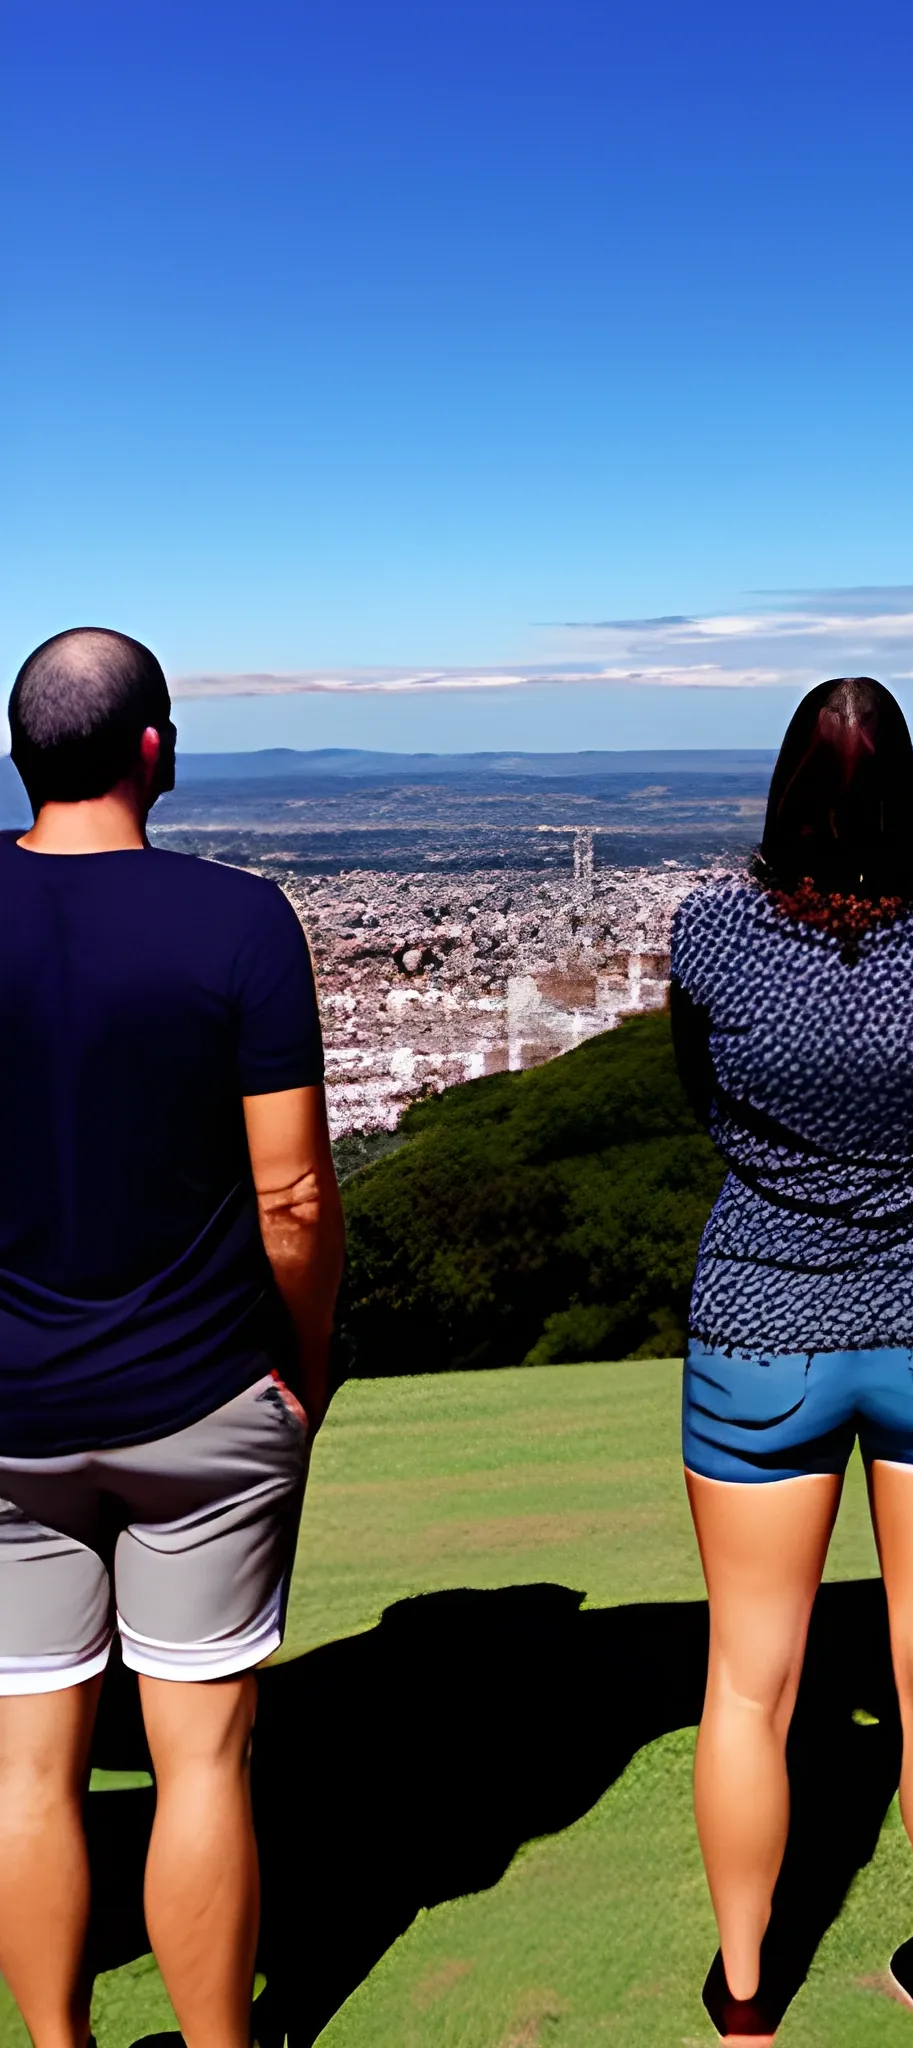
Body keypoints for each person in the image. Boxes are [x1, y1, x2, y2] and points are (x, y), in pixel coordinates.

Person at [669, 677, 913, 2045]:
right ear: (908, 797)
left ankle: (749, 1986)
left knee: (748, 1683)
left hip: (761, 1322)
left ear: (782, 796)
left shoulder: (709, 935)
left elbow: (699, 1095)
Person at [0, 630, 342, 2048]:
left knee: (29, 1769)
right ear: (157, 751)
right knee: (201, 1757)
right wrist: (304, 1367)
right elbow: (297, 1194)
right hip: (204, 1391)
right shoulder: (240, 920)